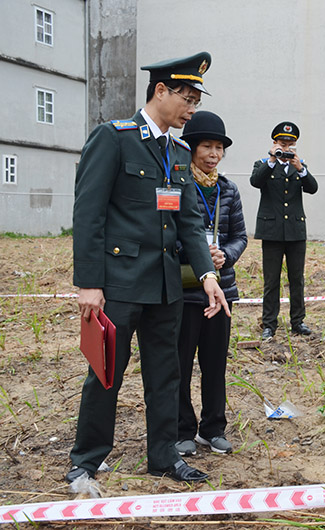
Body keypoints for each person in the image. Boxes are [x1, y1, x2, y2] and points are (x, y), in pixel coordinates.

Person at [69, 52, 230, 484]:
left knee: (166, 375)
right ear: (161, 91)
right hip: (119, 285)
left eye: (196, 98)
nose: (192, 108)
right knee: (105, 373)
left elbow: (190, 222)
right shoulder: (114, 138)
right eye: (188, 97)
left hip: (166, 289)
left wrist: (208, 276)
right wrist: (88, 284)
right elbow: (89, 214)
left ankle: (163, 456)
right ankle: (86, 459)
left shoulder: (177, 153)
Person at [176, 111, 247, 456]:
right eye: (207, 146)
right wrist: (198, 255)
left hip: (223, 289)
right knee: (181, 362)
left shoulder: (228, 189)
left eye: (219, 147)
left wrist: (225, 257)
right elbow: (170, 233)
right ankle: (183, 430)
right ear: (191, 148)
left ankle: (212, 428)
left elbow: (240, 236)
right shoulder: (177, 185)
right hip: (187, 290)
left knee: (215, 363)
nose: (214, 153)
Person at [251, 122, 318, 341]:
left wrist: (301, 168)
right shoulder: (264, 164)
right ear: (274, 144)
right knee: (272, 280)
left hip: (295, 232)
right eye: (282, 143)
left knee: (297, 278)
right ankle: (269, 324)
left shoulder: (299, 166)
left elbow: (313, 188)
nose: (286, 147)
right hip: (272, 231)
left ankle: (297, 321)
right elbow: (255, 181)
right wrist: (272, 160)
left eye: (290, 144)